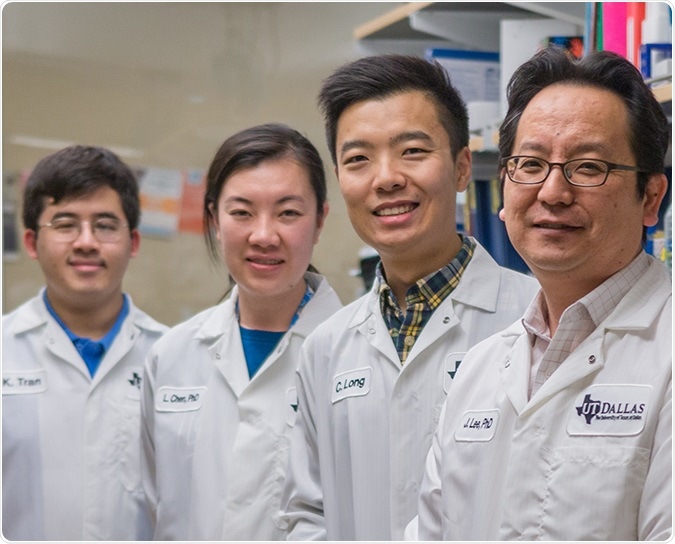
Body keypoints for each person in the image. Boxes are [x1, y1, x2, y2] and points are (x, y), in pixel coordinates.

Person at [412, 46, 671, 540]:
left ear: (651, 198)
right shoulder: (480, 369)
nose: (552, 192)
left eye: (589, 167)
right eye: (529, 164)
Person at [280, 54, 540, 540]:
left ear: (463, 167)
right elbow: (307, 512)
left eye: (413, 151)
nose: (386, 178)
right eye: (358, 159)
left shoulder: (535, 317)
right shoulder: (326, 346)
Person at [140, 123, 343, 540]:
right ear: (214, 218)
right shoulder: (171, 355)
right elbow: (150, 508)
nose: (264, 235)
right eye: (241, 212)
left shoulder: (354, 353)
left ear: (320, 220)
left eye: (288, 213)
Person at [2, 145, 168, 540]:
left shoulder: (174, 357)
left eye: (106, 225)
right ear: (30, 242)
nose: (86, 242)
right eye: (65, 224)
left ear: (134, 242)